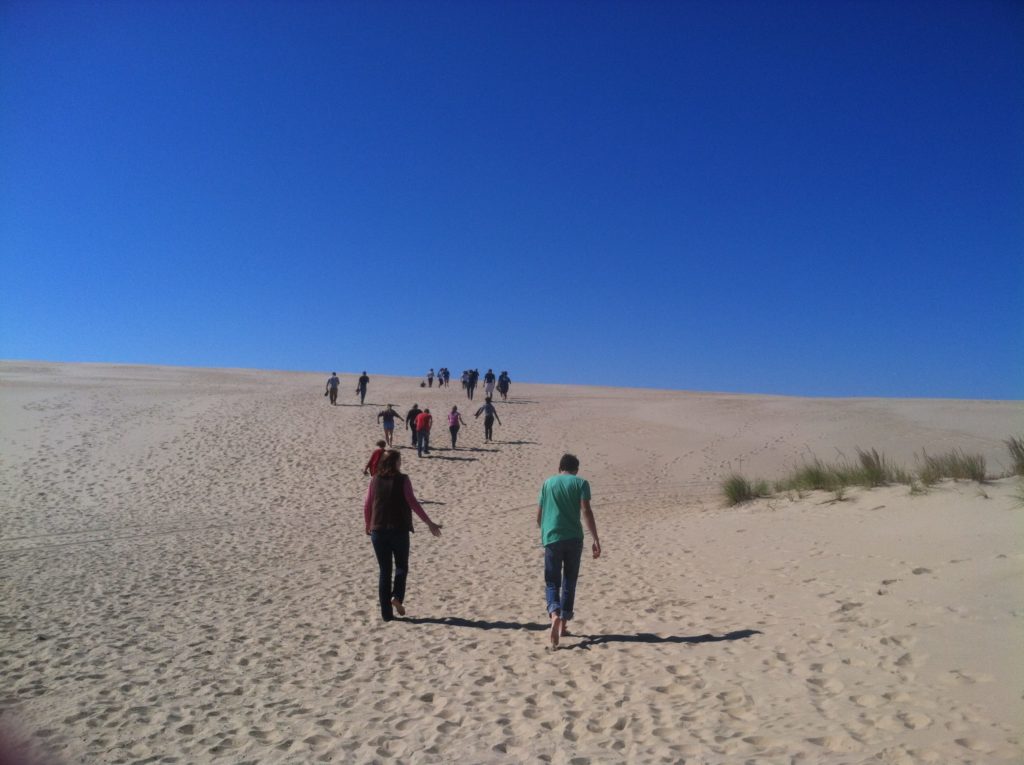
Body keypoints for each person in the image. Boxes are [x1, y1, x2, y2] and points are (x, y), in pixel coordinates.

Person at [364, 450, 442, 621]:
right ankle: (397, 597)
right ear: (394, 463)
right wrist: (429, 522)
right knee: (401, 567)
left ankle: (386, 615)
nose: (401, 464)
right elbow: (412, 502)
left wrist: (367, 524)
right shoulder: (403, 479)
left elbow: (367, 504)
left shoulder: (374, 480)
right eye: (399, 461)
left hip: (377, 531)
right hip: (398, 530)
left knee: (384, 571)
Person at [536, 453, 601, 648]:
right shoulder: (581, 483)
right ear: (576, 469)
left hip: (552, 538)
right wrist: (596, 539)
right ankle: (563, 625)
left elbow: (539, 514)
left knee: (552, 582)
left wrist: (545, 531)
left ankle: (554, 614)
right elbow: (586, 511)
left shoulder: (547, 483)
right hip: (574, 538)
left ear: (559, 467)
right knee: (569, 581)